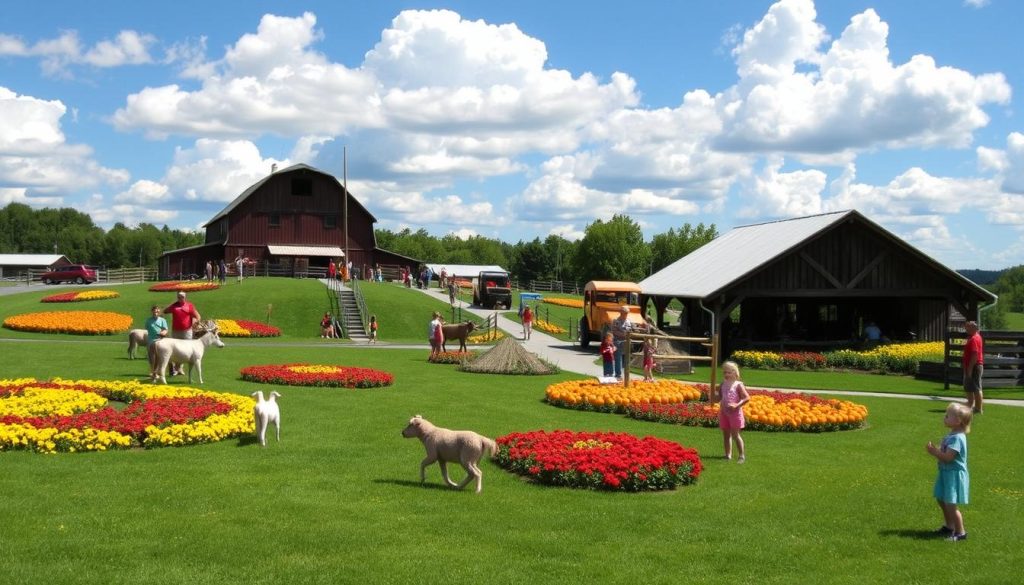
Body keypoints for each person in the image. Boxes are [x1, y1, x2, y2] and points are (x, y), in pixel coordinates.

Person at [926, 402, 972, 542]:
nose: (944, 417)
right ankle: (949, 526)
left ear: (958, 421)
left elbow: (948, 458)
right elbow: (946, 452)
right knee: (941, 499)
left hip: (953, 475)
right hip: (945, 473)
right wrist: (938, 449)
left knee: (950, 504)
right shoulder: (952, 434)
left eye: (947, 416)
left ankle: (960, 532)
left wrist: (934, 452)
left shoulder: (958, 438)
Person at [713, 361, 750, 463]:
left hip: (735, 413)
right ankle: (727, 455)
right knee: (726, 435)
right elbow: (718, 399)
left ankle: (741, 456)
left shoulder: (738, 385)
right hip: (724, 413)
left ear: (735, 373)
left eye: (729, 372)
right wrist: (712, 394)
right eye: (725, 372)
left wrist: (737, 405)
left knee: (735, 435)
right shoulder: (722, 384)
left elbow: (747, 398)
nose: (726, 375)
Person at [164, 291, 201, 376]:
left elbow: (198, 316)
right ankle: (177, 368)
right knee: (177, 350)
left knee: (185, 350)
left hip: (187, 331)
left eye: (182, 297)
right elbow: (165, 311)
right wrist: (172, 304)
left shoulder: (189, 305)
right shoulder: (174, 306)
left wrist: (195, 321)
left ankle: (179, 368)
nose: (180, 298)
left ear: (185, 297)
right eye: (179, 297)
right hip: (176, 331)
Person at [609, 305, 643, 379]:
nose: (626, 314)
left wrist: (638, 329)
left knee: (626, 360)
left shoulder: (628, 321)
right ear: (621, 313)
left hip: (626, 343)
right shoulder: (616, 321)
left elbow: (633, 329)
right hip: (618, 342)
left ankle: (626, 376)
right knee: (618, 359)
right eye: (625, 313)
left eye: (627, 313)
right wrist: (624, 334)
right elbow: (614, 332)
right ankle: (618, 375)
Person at [962, 321, 984, 414]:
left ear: (974, 328)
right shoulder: (975, 336)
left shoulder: (974, 339)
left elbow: (975, 355)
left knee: (976, 388)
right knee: (971, 387)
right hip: (974, 366)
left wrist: (970, 369)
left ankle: (978, 408)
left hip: (974, 366)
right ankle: (971, 406)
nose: (966, 329)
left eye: (969, 327)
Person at [144, 305, 168, 381]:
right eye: (154, 310)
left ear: (159, 311)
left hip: (160, 339)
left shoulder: (162, 320)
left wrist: (163, 333)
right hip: (151, 339)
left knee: (159, 355)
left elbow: (165, 329)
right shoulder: (148, 320)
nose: (156, 312)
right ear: (152, 311)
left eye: (157, 310)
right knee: (151, 355)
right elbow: (147, 328)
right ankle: (153, 371)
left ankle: (157, 371)